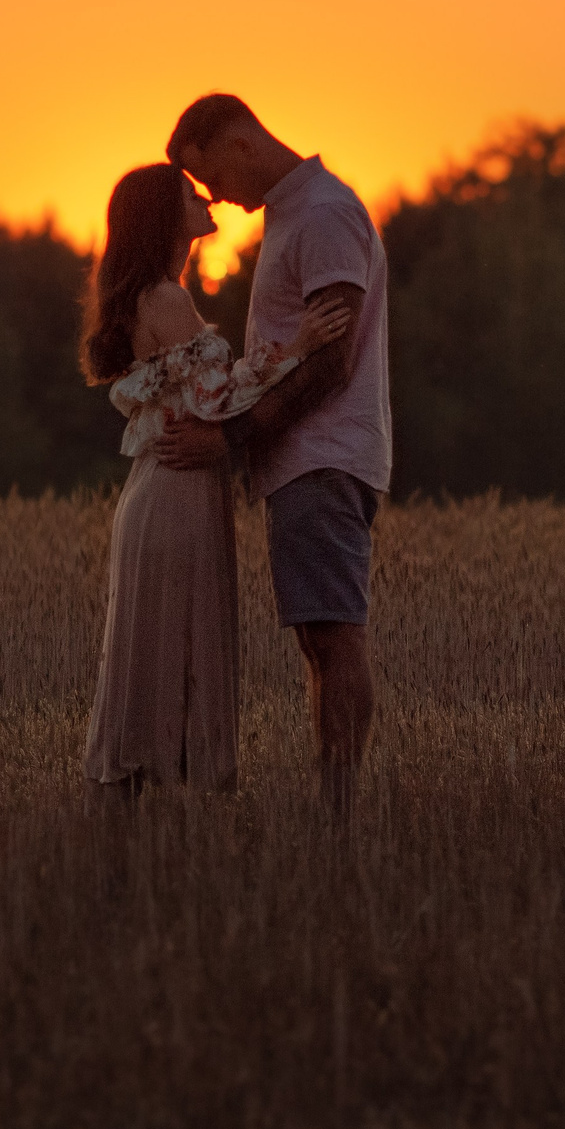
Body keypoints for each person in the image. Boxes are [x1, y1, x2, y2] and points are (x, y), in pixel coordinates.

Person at [79, 162, 353, 796]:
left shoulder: (157, 294)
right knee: (172, 650)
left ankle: (145, 819)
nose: (206, 199)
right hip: (174, 494)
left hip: (171, 490)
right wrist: (300, 348)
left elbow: (208, 394)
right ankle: (159, 804)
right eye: (189, 192)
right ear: (166, 215)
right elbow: (217, 400)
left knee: (156, 651)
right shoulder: (167, 299)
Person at [155, 96, 390, 813]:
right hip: (306, 458)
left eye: (211, 175)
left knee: (331, 634)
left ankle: (338, 815)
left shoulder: (321, 214)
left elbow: (332, 363)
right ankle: (334, 810)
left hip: (322, 456)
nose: (216, 197)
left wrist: (227, 439)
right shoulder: (300, 215)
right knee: (320, 639)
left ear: (238, 140)